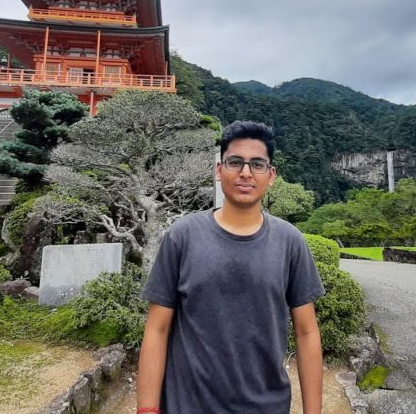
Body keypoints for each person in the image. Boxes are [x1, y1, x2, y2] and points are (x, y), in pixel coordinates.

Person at [138, 120, 325, 414]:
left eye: (257, 164)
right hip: (187, 405)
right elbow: (157, 328)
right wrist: (147, 410)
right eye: (235, 162)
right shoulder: (183, 236)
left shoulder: (290, 242)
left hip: (267, 405)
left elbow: (307, 332)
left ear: (271, 175)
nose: (245, 173)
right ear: (218, 169)